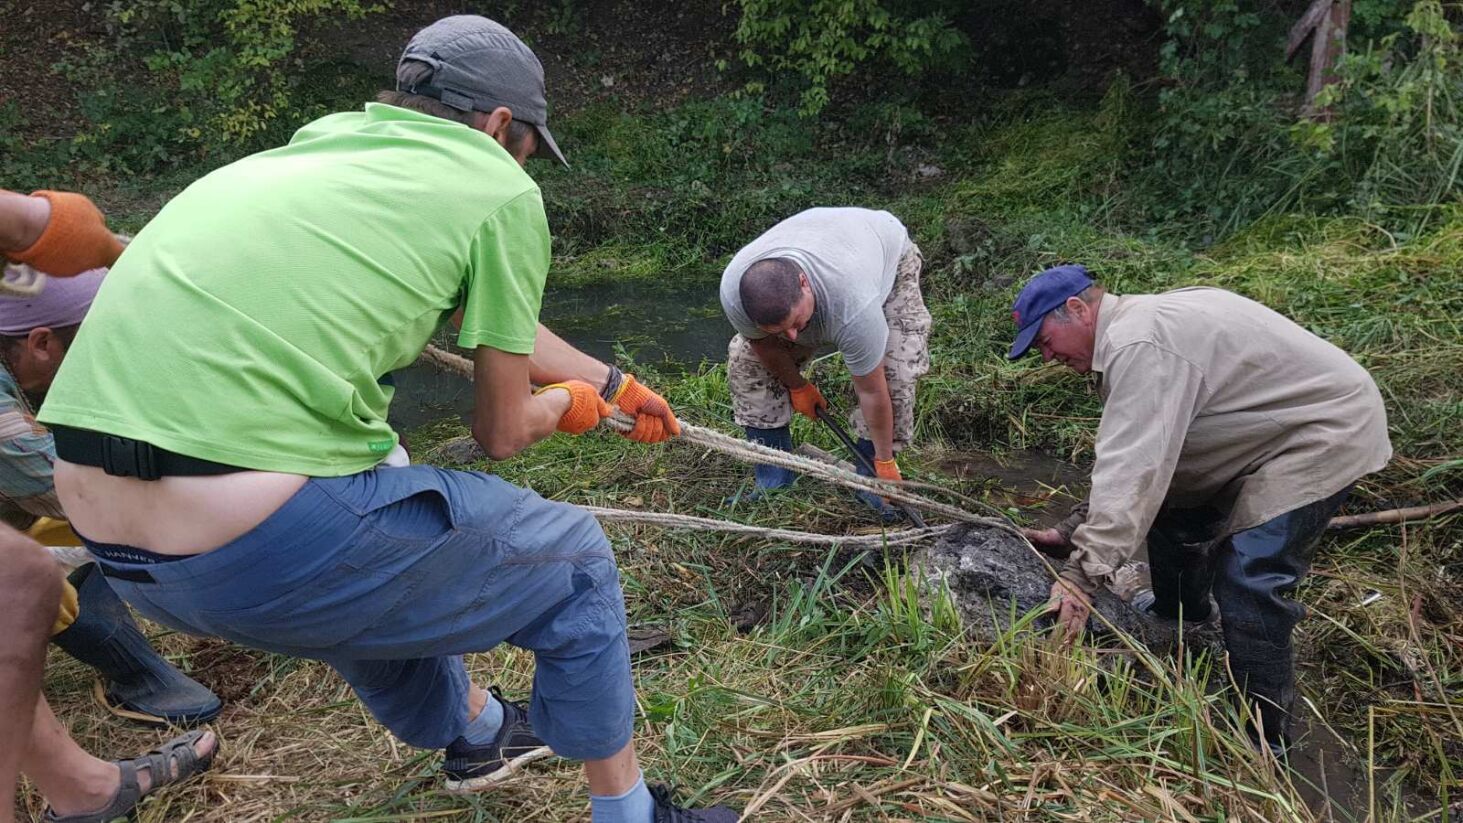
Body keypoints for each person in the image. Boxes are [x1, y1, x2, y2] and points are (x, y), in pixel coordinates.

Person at [40, 15, 735, 822]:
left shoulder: (314, 156)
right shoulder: (497, 187)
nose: (523, 165)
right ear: (500, 126)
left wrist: (613, 380)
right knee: (575, 560)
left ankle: (477, 732)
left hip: (117, 550)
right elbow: (503, 432)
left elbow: (495, 321)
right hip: (253, 548)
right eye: (526, 147)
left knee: (382, 494)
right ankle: (630, 812)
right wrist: (569, 406)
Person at [1008, 264, 1392, 755]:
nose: (1048, 356)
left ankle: (1263, 739)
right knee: (1176, 505)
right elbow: (1158, 460)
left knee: (1251, 577)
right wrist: (1075, 527)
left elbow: (1134, 465)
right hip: (1264, 429)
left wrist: (1082, 577)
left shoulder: (1138, 345)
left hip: (1323, 431)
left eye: (1044, 340)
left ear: (1079, 310)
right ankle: (1182, 621)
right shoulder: (1140, 331)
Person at [1, 189, 218, 823]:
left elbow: (74, 246)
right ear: (41, 344)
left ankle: (82, 790)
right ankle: (131, 672)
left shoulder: (17, 290)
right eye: (95, 347)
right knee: (33, 569)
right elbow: (74, 489)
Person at [718, 207, 931, 515]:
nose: (792, 337)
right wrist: (796, 385)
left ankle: (871, 482)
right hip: (825, 242)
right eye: (780, 331)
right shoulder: (735, 294)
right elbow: (760, 343)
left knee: (894, 372)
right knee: (746, 361)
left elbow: (872, 391)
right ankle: (774, 478)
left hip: (886, 256)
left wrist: (884, 461)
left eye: (795, 323)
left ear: (804, 283)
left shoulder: (853, 304)